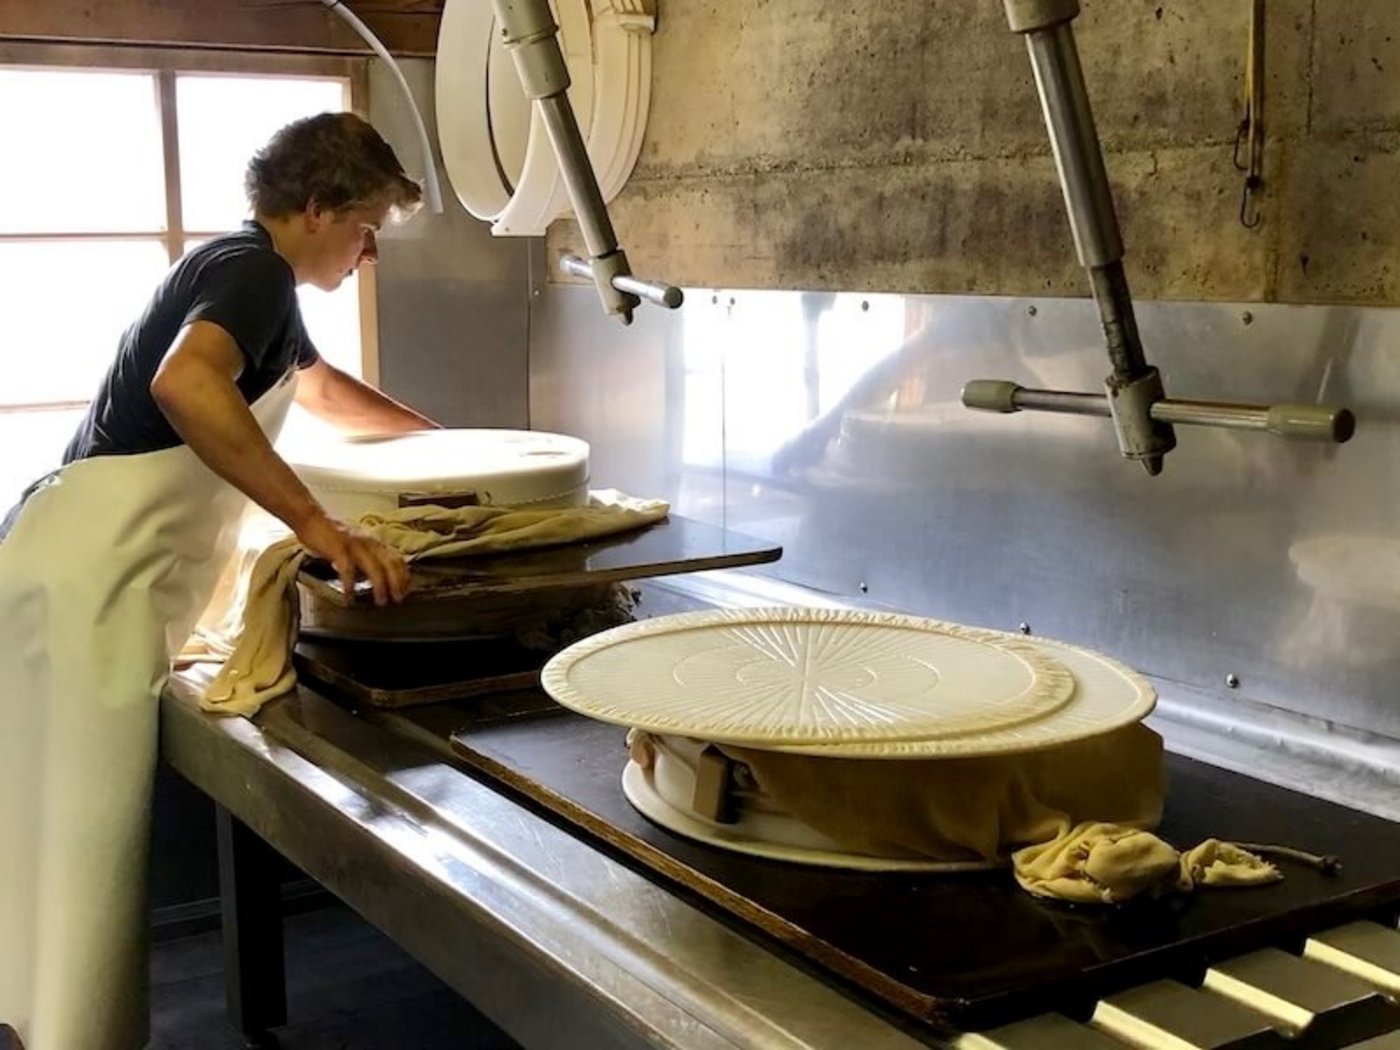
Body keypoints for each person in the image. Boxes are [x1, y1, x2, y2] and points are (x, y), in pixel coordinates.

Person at [0, 112, 440, 1050]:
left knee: (50, 834)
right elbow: (186, 386)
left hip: (78, 572)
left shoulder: (251, 279)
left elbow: (318, 392)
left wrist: (446, 444)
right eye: (366, 230)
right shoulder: (253, 273)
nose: (368, 255)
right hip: (88, 581)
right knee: (85, 840)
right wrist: (317, 524)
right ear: (317, 210)